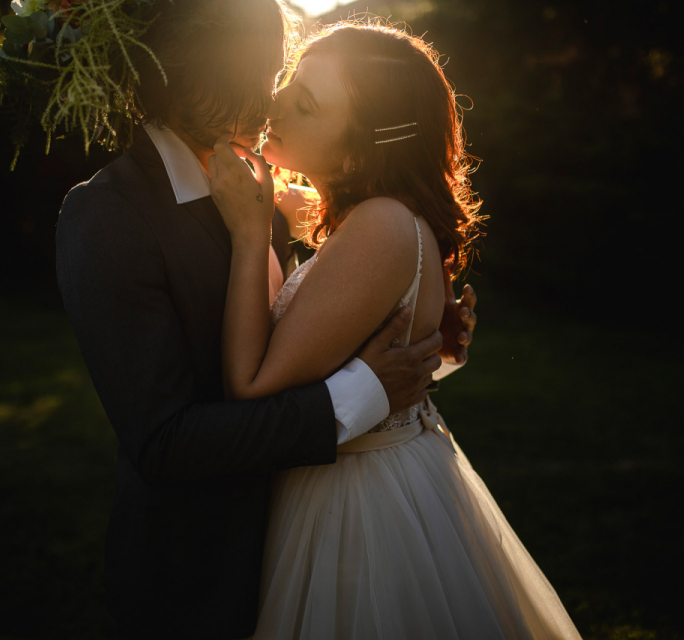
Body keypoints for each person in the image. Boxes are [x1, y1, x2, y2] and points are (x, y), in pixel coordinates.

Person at [54, 1, 477, 637]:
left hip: (330, 539)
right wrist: (368, 389)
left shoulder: (265, 191)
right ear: (183, 76)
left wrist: (424, 330)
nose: (268, 103)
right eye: (263, 80)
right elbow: (164, 443)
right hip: (201, 574)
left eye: (280, 81)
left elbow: (324, 317)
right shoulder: (109, 217)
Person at [208, 22, 584, 639]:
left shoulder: (381, 224)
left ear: (359, 153)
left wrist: (250, 236)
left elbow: (251, 384)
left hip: (359, 509)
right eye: (289, 83)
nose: (275, 105)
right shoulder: (368, 214)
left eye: (305, 104)